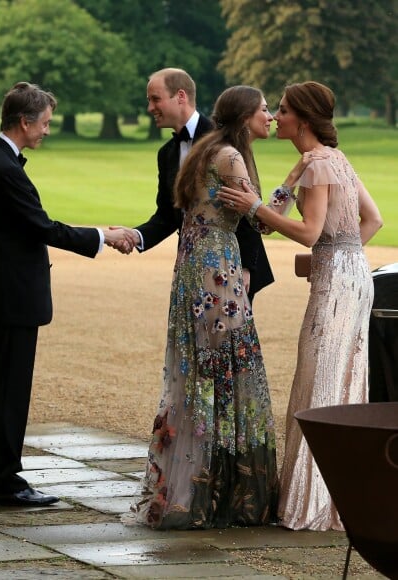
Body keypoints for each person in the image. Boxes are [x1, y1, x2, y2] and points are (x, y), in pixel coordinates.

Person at [0, 82, 134, 506]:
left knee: (4, 389)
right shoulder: (1, 167)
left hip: (1, 296)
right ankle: (3, 483)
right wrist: (103, 235)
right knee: (9, 391)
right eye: (45, 123)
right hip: (8, 298)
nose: (48, 130)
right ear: (24, 122)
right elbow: (42, 226)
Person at [218, 81, 383, 531]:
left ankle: (312, 507)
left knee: (320, 383)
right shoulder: (330, 160)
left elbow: (307, 231)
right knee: (340, 380)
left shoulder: (319, 165)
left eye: (284, 110)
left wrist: (254, 206)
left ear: (303, 121)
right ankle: (339, 500)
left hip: (336, 288)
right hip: (354, 276)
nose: (275, 116)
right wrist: (287, 186)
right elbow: (373, 219)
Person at [129, 85, 288, 530]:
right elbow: (262, 220)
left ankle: (192, 486)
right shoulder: (231, 157)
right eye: (263, 110)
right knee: (228, 370)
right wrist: (291, 185)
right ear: (244, 117)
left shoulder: (205, 150)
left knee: (200, 370)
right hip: (217, 270)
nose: (270, 116)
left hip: (194, 269)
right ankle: (223, 492)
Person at [112, 67, 273, 302]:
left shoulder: (224, 140)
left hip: (233, 265)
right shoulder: (166, 153)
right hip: (192, 262)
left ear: (180, 96)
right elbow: (168, 215)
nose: (149, 108)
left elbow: (246, 204)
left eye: (155, 99)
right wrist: (135, 236)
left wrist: (246, 267)